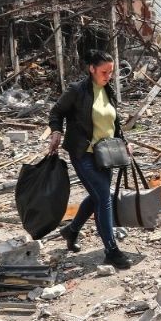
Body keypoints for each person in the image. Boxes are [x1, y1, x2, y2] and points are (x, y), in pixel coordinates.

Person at [47, 49, 132, 269]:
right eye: (104, 72)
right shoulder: (77, 90)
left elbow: (115, 122)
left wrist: (124, 141)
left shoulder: (109, 90)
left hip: (107, 154)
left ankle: (71, 230)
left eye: (111, 72)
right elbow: (56, 112)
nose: (108, 76)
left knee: (97, 196)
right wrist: (56, 132)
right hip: (83, 153)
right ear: (91, 69)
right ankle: (111, 250)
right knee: (103, 197)